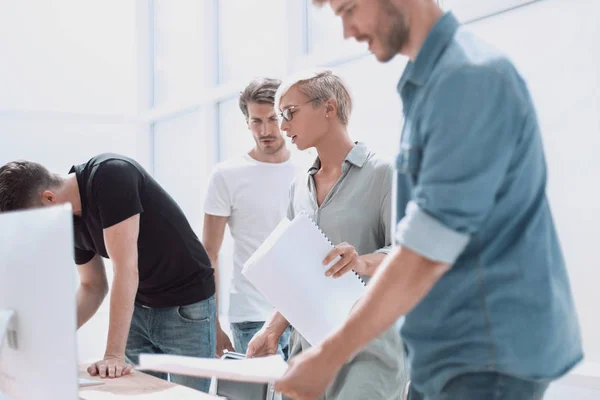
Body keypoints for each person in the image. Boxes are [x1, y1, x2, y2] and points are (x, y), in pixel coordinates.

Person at [274, 1, 583, 400]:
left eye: (349, 9)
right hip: (445, 353)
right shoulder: (430, 84)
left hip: (486, 357)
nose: (348, 31)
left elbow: (424, 249)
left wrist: (329, 356)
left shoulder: (467, 80)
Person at [247, 69, 410, 400]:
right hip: (307, 348)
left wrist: (360, 262)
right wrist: (272, 329)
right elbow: (298, 274)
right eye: (281, 116)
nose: (282, 126)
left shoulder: (384, 173)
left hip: (370, 351)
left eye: (290, 113)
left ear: (329, 108)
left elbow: (407, 255)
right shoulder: (297, 188)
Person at [0, 154, 217, 393]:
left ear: (49, 198)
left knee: (188, 397)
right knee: (134, 392)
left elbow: (125, 269)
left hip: (186, 306)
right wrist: (48, 339)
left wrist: (113, 354)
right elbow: (92, 286)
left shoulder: (111, 176)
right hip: (139, 306)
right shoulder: (67, 217)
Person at [203, 77, 294, 358]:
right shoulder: (226, 175)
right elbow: (209, 253)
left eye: (273, 119)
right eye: (256, 121)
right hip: (250, 315)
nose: (265, 130)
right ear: (246, 122)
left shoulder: (309, 168)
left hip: (303, 311)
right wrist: (213, 325)